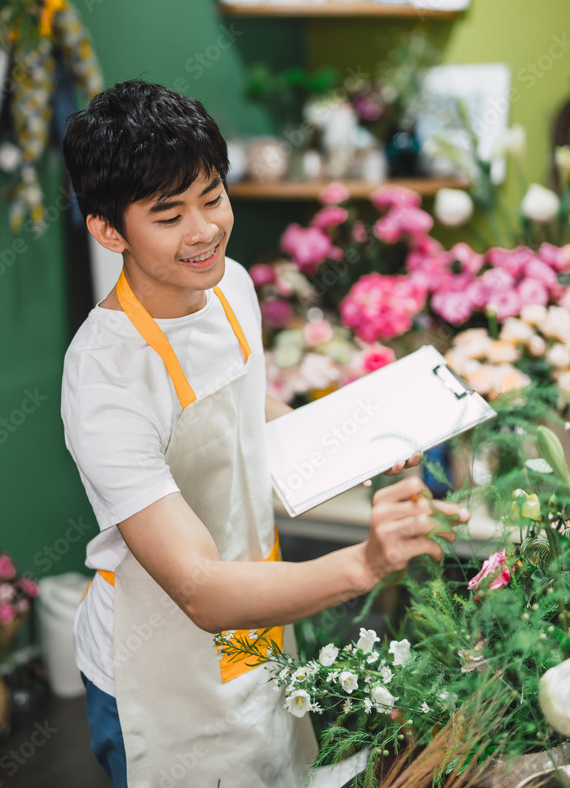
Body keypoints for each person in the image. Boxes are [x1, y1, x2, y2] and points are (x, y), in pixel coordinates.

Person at [60, 80, 469, 788]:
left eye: (212, 197)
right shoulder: (105, 379)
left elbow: (243, 406)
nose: (204, 231)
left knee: (268, 761)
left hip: (253, 610)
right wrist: (364, 564)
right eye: (168, 215)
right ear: (107, 229)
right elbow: (197, 589)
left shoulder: (231, 286)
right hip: (159, 649)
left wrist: (359, 440)